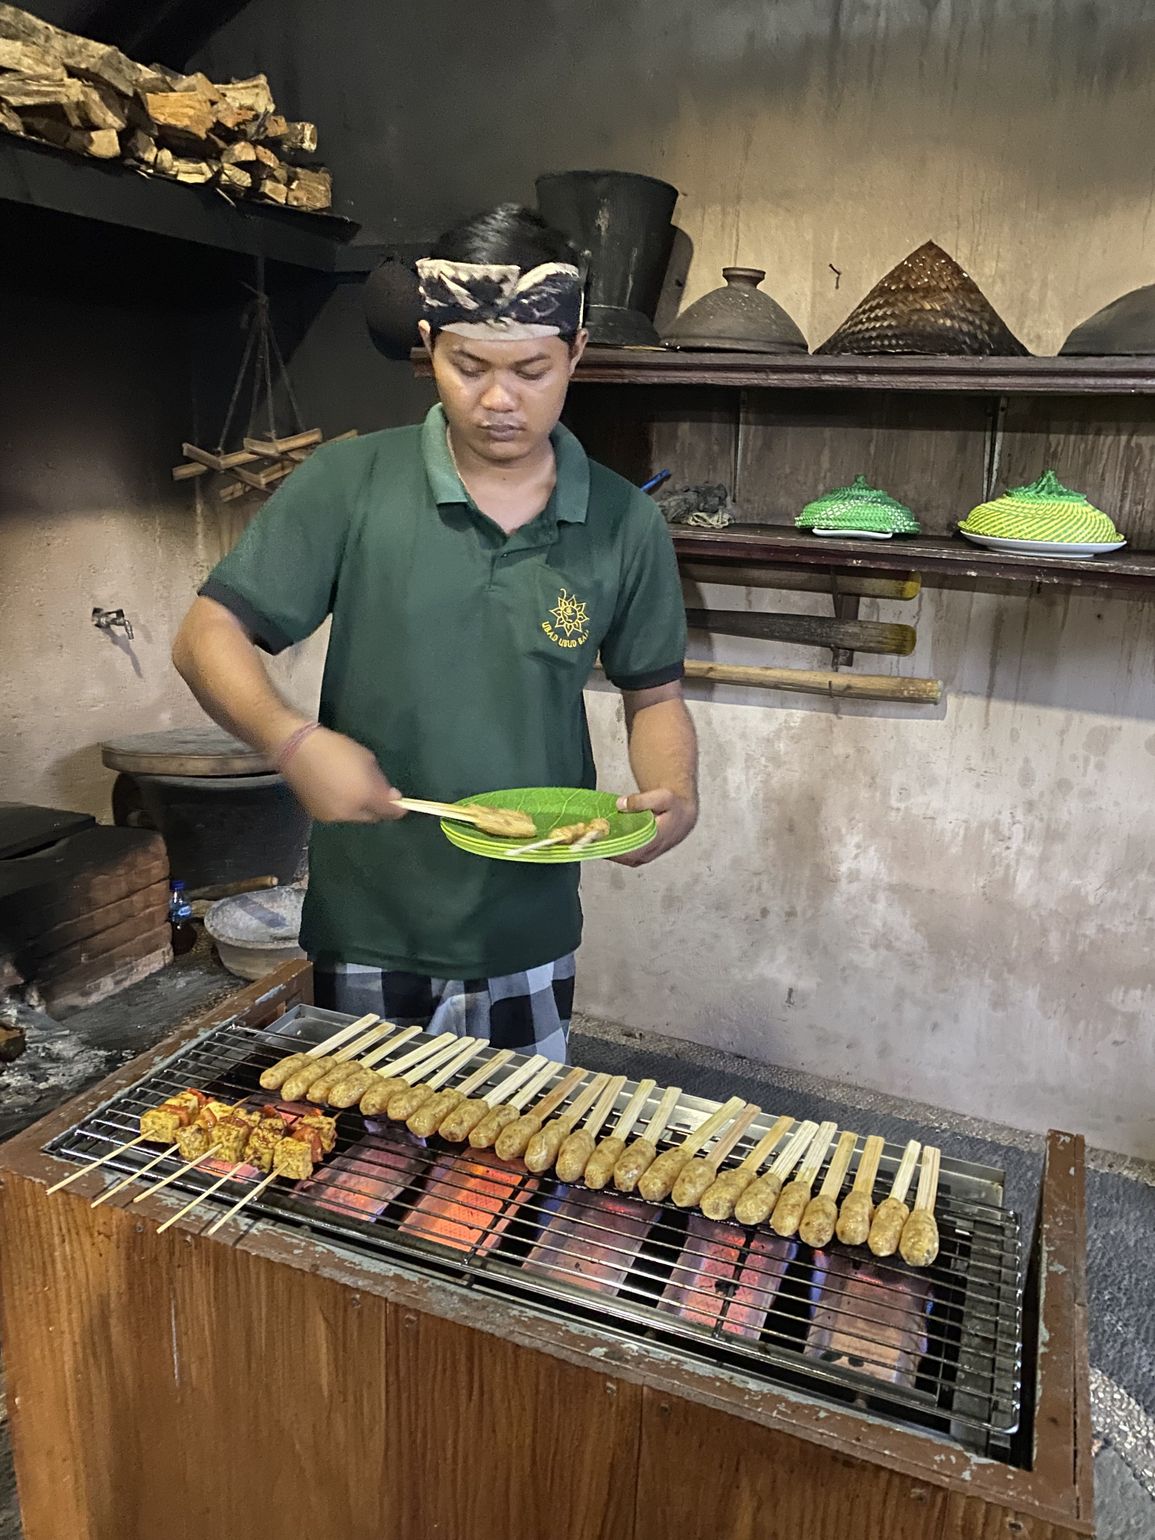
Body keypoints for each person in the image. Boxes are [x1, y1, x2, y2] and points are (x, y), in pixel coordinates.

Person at [173, 203, 697, 1061]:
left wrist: (672, 791)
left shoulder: (621, 522)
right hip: (369, 919)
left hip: (524, 925)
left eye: (530, 370)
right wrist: (293, 741)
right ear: (429, 349)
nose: (497, 400)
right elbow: (206, 633)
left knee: (507, 1168)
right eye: (467, 367)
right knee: (360, 1173)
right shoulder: (350, 481)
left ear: (575, 356)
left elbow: (655, 698)